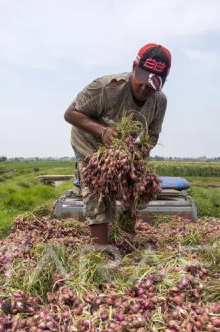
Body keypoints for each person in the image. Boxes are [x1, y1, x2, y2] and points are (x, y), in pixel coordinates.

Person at [64, 43, 171, 245]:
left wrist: (142, 150)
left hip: (123, 150)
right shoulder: (106, 87)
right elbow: (70, 114)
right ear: (133, 67)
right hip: (89, 143)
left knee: (136, 187)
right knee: (98, 190)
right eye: (141, 80)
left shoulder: (159, 102)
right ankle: (101, 251)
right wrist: (102, 131)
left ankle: (126, 238)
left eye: (153, 84)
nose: (145, 88)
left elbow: (154, 134)